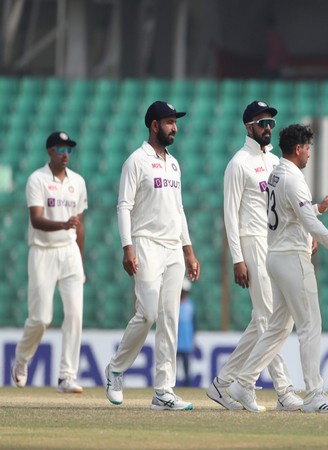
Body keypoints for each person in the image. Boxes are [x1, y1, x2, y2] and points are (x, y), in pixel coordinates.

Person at [227, 124, 328, 413]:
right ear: (299, 148)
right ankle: (315, 393)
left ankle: (243, 382)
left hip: (275, 255)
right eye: (308, 148)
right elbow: (308, 224)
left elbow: (293, 214)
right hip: (291, 258)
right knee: (310, 324)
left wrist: (319, 207)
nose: (310, 154)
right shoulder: (293, 178)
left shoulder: (275, 173)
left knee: (278, 326)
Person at [206, 100, 303, 412]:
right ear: (249, 126)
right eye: (263, 123)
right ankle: (284, 391)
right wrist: (238, 258)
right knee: (268, 317)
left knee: (261, 319)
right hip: (251, 241)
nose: (269, 128)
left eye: (272, 123)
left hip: (274, 242)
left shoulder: (274, 161)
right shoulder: (238, 163)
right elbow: (229, 215)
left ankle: (222, 384)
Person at [104, 101, 200, 411]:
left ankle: (163, 391)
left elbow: (179, 209)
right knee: (147, 313)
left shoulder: (174, 164)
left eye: (175, 121)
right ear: (154, 125)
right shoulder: (136, 160)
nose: (175, 127)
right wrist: (127, 247)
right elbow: (124, 206)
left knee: (170, 318)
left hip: (173, 246)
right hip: (145, 243)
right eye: (169, 121)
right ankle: (116, 369)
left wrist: (189, 250)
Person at [11, 131, 87, 394]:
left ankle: (67, 376)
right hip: (42, 251)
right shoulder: (37, 180)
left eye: (68, 149)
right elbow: (36, 219)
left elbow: (80, 226)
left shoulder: (77, 182)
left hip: (69, 252)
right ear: (49, 152)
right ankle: (22, 359)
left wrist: (81, 260)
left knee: (75, 313)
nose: (65, 154)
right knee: (41, 318)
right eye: (59, 149)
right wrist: (63, 224)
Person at [177, 278, 195, 387]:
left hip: (187, 342)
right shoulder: (174, 305)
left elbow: (194, 324)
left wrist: (193, 339)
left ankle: (187, 386)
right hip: (175, 341)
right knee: (172, 367)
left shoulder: (190, 305)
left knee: (187, 368)